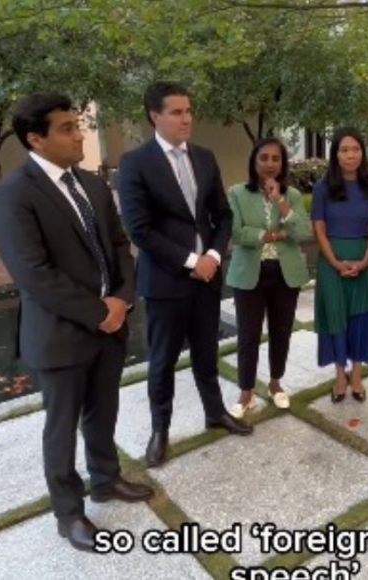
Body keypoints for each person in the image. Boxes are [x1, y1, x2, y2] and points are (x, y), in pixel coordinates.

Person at [0, 93, 153, 552]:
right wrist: (98, 312)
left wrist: (121, 299)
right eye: (67, 128)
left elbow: (120, 246)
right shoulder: (13, 195)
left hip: (111, 325)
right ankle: (69, 513)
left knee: (104, 413)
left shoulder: (94, 186)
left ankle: (105, 478)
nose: (80, 134)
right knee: (60, 429)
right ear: (35, 138)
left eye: (78, 125)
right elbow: (33, 274)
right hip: (60, 335)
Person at [118, 81, 252, 469]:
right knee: (161, 361)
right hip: (166, 281)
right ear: (154, 116)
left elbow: (222, 216)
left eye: (189, 110)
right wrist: (193, 262)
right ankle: (160, 429)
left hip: (207, 278)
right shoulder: (135, 163)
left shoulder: (205, 157)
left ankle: (215, 412)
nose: (186, 118)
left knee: (207, 353)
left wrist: (211, 255)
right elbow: (140, 230)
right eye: (177, 112)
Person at [225, 138, 310, 416]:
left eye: (276, 158)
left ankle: (275, 384)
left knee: (281, 332)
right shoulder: (237, 193)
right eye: (264, 158)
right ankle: (246, 391)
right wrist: (270, 235)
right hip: (250, 273)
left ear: (283, 163)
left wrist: (280, 201)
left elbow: (303, 233)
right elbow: (236, 233)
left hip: (284, 273)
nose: (270, 163)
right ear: (254, 161)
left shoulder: (293, 196)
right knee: (248, 335)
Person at [311, 127, 368, 403]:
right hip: (332, 262)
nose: (350, 155)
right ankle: (339, 374)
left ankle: (357, 374)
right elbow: (318, 227)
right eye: (344, 150)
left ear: (362, 153)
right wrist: (335, 262)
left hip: (364, 259)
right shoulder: (322, 187)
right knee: (336, 317)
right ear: (335, 154)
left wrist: (366, 261)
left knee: (361, 318)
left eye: (355, 149)